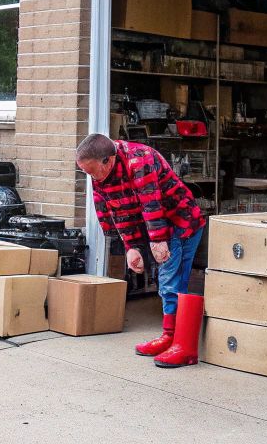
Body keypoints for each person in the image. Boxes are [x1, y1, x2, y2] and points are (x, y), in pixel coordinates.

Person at [76, 133, 207, 367]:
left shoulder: (139, 159)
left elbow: (151, 201)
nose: (93, 178)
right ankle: (172, 338)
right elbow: (115, 212)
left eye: (94, 171)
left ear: (109, 159)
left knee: (170, 279)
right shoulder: (101, 176)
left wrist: (157, 241)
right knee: (169, 280)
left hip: (180, 221)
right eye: (87, 173)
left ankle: (181, 345)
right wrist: (131, 247)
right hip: (158, 226)